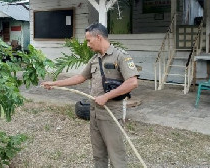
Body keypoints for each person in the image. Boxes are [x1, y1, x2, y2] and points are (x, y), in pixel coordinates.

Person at [42, 22, 139, 167]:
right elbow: (80, 78)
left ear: (99, 37)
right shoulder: (94, 60)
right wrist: (55, 84)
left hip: (111, 112)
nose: (87, 44)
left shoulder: (120, 56)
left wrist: (106, 96)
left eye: (89, 40)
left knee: (116, 155)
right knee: (98, 154)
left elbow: (132, 82)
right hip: (94, 113)